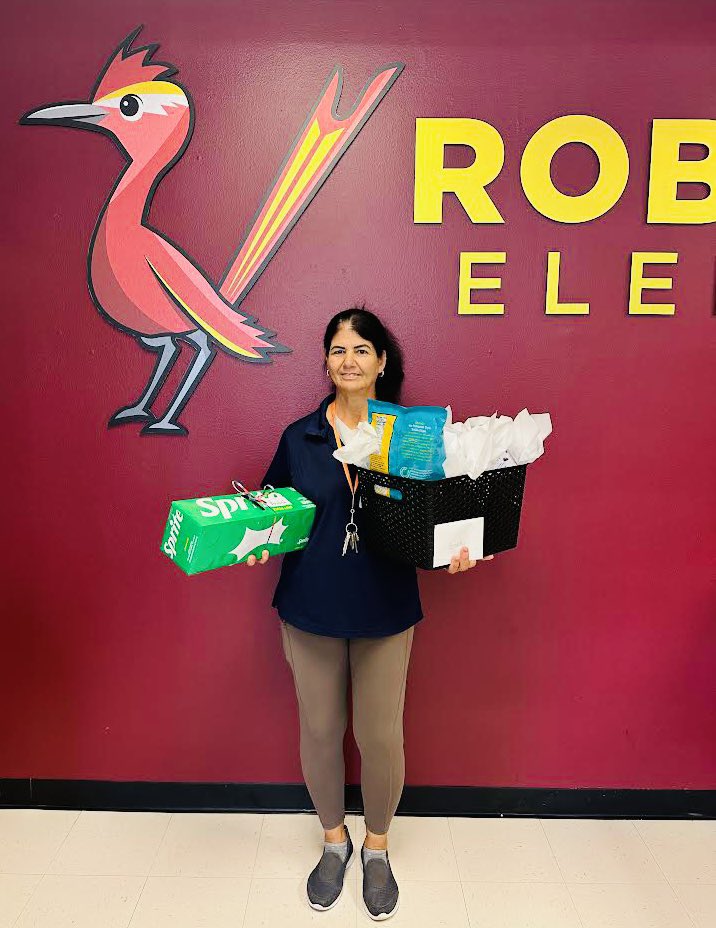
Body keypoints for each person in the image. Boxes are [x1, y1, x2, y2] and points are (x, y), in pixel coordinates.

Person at [247, 307, 493, 920]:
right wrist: (254, 535)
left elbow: (439, 515)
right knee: (322, 731)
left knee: (380, 736)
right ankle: (334, 843)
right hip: (309, 605)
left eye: (361, 349)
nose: (348, 359)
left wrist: (457, 550)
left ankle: (376, 850)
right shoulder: (299, 437)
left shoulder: (414, 436)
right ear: (326, 361)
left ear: (383, 361)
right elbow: (274, 508)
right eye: (337, 349)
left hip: (385, 606)